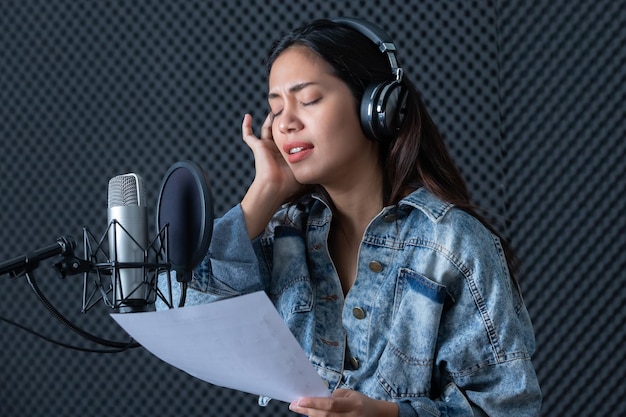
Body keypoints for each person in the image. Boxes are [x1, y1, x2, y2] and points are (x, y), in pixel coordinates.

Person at [160, 17, 542, 416]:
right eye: (276, 109)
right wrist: (264, 193)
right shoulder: (284, 233)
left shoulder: (452, 244)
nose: (286, 123)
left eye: (307, 100)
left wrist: (389, 415)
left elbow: (507, 409)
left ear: (376, 107)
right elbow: (178, 307)